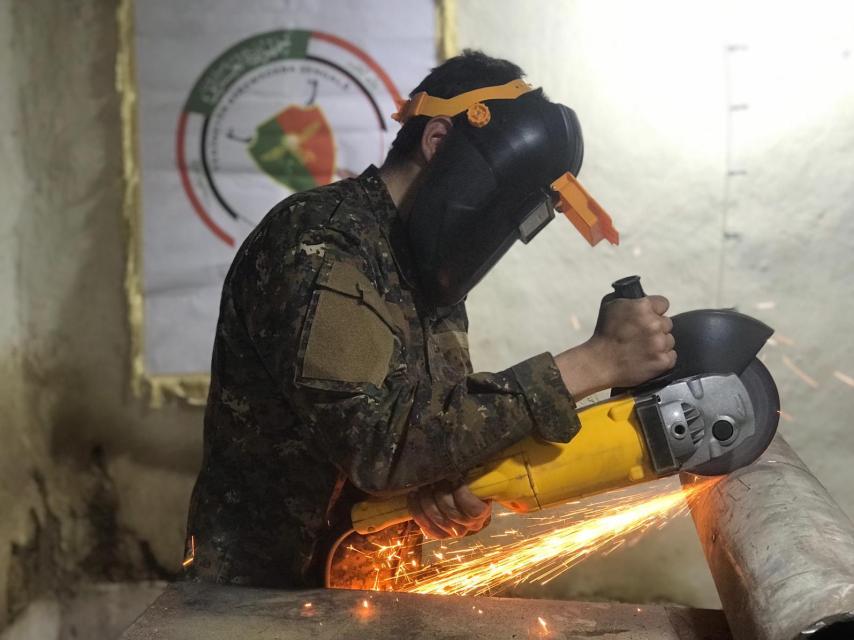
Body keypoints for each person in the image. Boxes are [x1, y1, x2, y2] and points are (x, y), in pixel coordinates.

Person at [185, 50, 675, 589]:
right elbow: (379, 447)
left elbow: (428, 433)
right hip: (260, 600)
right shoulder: (321, 242)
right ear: (438, 141)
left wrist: (446, 488)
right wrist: (593, 363)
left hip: (362, 594)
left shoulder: (424, 268)